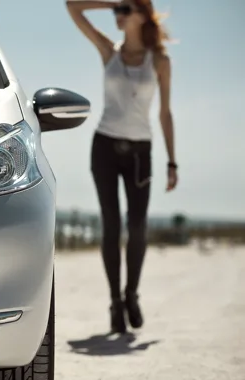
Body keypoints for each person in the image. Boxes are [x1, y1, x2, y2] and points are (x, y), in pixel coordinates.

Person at [66, 0, 178, 334]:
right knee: (111, 226)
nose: (118, 16)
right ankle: (115, 302)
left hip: (140, 152)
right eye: (117, 11)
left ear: (142, 14)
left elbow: (165, 113)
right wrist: (112, 3)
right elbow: (72, 6)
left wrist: (172, 161)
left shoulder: (160, 61)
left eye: (125, 10)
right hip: (104, 147)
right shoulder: (108, 51)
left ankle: (132, 294)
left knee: (138, 226)